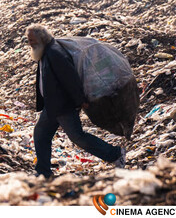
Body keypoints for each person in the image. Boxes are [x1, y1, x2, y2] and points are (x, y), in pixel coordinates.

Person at [25, 24, 126, 178]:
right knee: (40, 134)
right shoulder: (46, 51)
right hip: (53, 106)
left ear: (41, 37)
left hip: (63, 105)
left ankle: (115, 154)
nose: (30, 43)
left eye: (31, 39)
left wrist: (80, 99)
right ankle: (43, 171)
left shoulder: (55, 53)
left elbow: (70, 78)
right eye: (28, 39)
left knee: (78, 137)